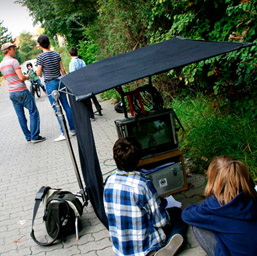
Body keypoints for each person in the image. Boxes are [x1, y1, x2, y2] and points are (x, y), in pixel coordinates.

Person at [104, 137, 187, 256]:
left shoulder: (108, 181)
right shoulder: (143, 184)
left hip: (121, 249)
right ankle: (166, 246)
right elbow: (161, 222)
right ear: (139, 161)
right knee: (177, 215)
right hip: (145, 247)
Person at [182, 155, 257, 256]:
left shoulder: (214, 206)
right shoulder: (252, 196)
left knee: (197, 224)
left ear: (213, 180)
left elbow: (187, 215)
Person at [0, 42, 46, 143]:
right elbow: (21, 78)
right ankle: (35, 136)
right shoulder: (14, 61)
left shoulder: (1, 64)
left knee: (20, 116)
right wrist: (27, 77)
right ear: (8, 50)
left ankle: (28, 137)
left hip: (12, 93)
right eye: (13, 48)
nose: (15, 50)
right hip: (21, 91)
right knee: (33, 111)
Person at [36, 35, 76, 142]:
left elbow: (38, 73)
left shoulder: (40, 57)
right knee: (66, 105)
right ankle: (73, 129)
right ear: (48, 42)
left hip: (50, 84)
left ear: (40, 44)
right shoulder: (56, 54)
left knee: (56, 108)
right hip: (60, 82)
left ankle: (64, 132)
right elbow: (63, 70)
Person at [69, 47, 95, 120]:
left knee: (82, 99)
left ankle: (85, 115)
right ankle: (91, 115)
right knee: (88, 98)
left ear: (70, 55)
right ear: (77, 53)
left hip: (78, 83)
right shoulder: (81, 61)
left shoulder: (72, 63)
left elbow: (72, 74)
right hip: (84, 81)